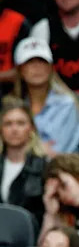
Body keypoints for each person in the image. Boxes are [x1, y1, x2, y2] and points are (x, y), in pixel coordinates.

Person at [12, 36, 79, 153]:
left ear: (51, 68)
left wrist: (18, 147)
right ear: (20, 70)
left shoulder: (67, 104)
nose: (37, 67)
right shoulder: (13, 105)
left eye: (42, 61)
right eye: (30, 62)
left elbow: (56, 152)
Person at [0, 95, 47, 224]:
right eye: (8, 124)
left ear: (31, 128)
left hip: (32, 237)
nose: (14, 129)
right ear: (1, 129)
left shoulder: (44, 167)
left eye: (21, 123)